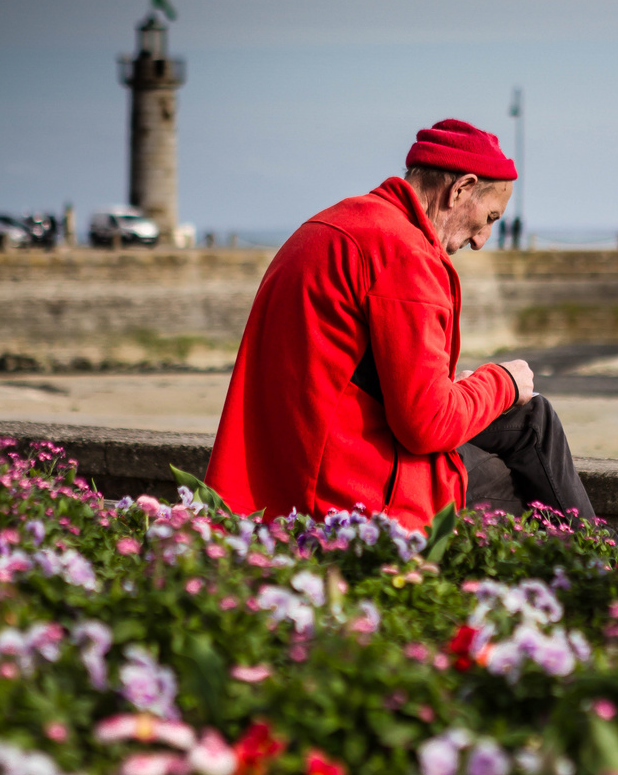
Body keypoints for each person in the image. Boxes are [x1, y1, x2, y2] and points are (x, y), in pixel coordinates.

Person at [205, 119, 594, 530]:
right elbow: (427, 425)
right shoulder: (405, 254)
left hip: (284, 473)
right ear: (460, 189)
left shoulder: (331, 225)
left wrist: (464, 388)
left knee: (528, 419)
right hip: (352, 494)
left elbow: (361, 375)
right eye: (490, 216)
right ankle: (602, 567)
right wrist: (503, 381)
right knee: (525, 447)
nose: (481, 240)